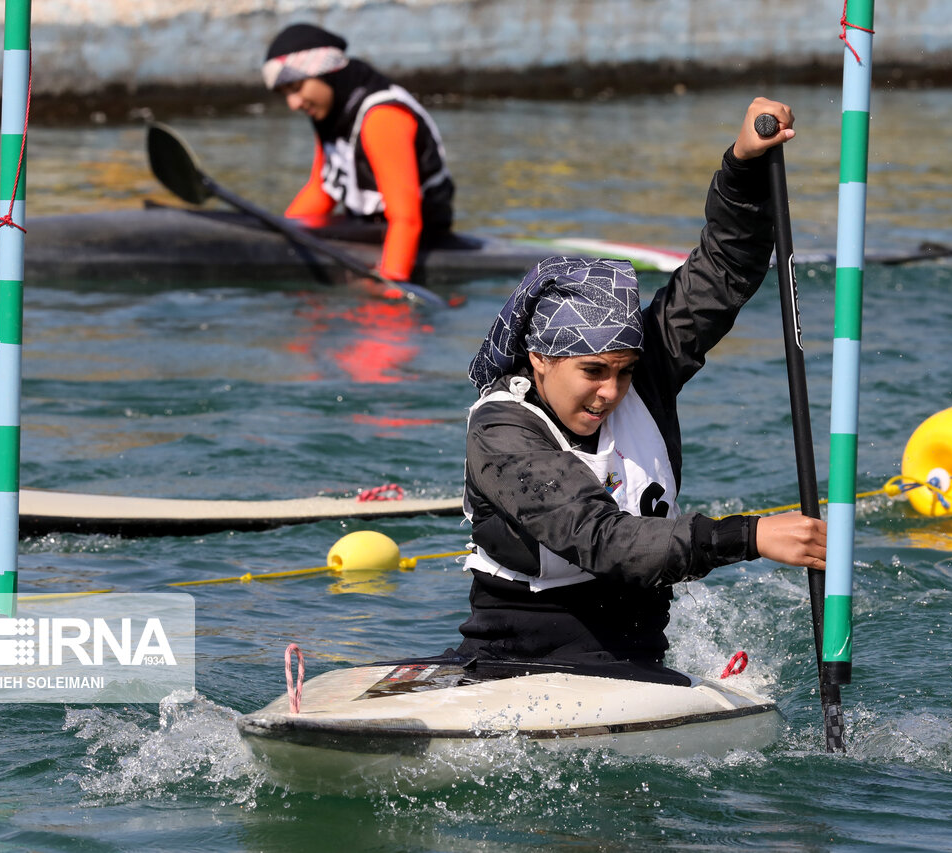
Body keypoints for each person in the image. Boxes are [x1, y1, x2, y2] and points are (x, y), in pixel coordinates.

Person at [455, 98, 827, 686]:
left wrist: (743, 167)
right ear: (540, 359)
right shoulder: (502, 432)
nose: (611, 392)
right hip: (519, 660)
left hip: (636, 655)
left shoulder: (643, 379)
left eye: (625, 370)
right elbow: (601, 540)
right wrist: (749, 535)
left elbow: (723, 271)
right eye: (593, 371)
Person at [262, 23, 455, 284]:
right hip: (367, 227)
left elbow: (406, 218)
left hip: (415, 237)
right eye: (285, 94)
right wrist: (278, 234)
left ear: (327, 72)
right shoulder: (331, 111)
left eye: (296, 88)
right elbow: (322, 189)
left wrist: (391, 284)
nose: (293, 104)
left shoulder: (382, 117)